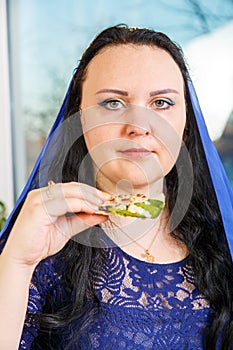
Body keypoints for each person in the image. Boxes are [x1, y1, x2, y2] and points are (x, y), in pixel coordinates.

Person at [0, 25, 232, 350]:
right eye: (112, 103)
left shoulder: (224, 240)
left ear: (187, 123)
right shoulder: (38, 244)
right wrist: (17, 263)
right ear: (80, 117)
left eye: (162, 102)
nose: (138, 126)